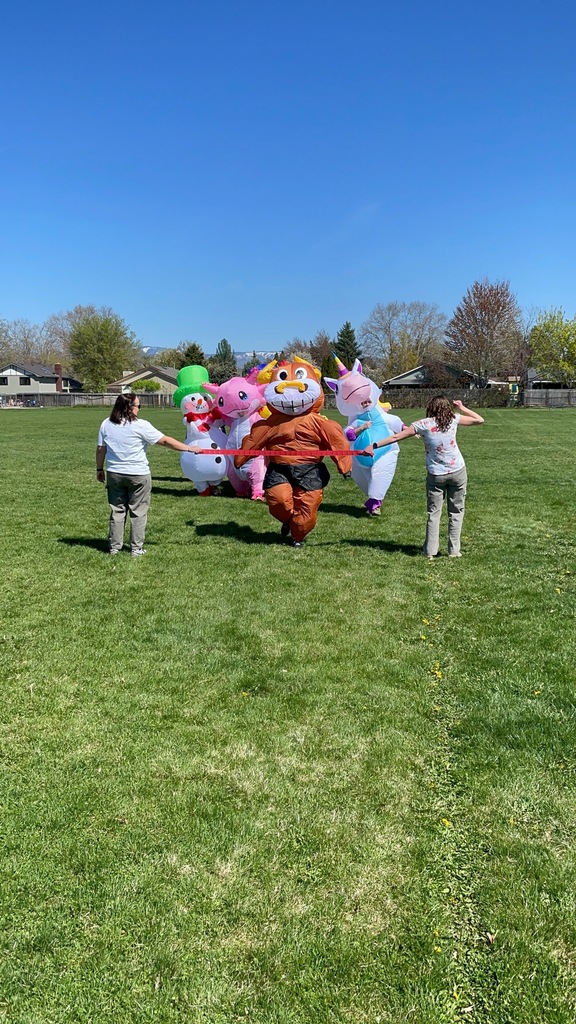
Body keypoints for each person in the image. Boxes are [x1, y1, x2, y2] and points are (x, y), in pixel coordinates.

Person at [364, 396, 484, 559]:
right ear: (447, 408)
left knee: (434, 513)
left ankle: (429, 551)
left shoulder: (423, 424)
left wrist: (374, 445)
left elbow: (395, 437)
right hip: (457, 471)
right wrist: (462, 407)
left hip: (436, 474)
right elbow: (479, 420)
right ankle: (454, 551)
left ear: (431, 408)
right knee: (456, 512)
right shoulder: (454, 419)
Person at [96, 393, 200, 556]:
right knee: (138, 512)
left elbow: (101, 449)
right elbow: (165, 441)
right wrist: (189, 448)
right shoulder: (141, 425)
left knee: (117, 510)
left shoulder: (106, 424)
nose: (139, 409)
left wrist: (99, 469)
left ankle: (115, 547)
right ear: (129, 408)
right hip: (138, 475)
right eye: (138, 406)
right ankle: (136, 548)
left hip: (114, 473)